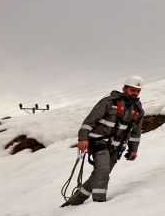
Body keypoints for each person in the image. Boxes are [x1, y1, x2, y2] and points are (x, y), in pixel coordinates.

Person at [61, 76, 147, 206]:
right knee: (103, 171)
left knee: (99, 174)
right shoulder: (108, 102)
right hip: (98, 143)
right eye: (132, 90)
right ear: (124, 89)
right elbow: (89, 122)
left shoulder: (138, 111)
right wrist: (83, 139)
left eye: (138, 91)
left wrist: (133, 150)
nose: (135, 93)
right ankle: (99, 203)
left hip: (116, 148)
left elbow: (135, 133)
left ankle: (74, 202)